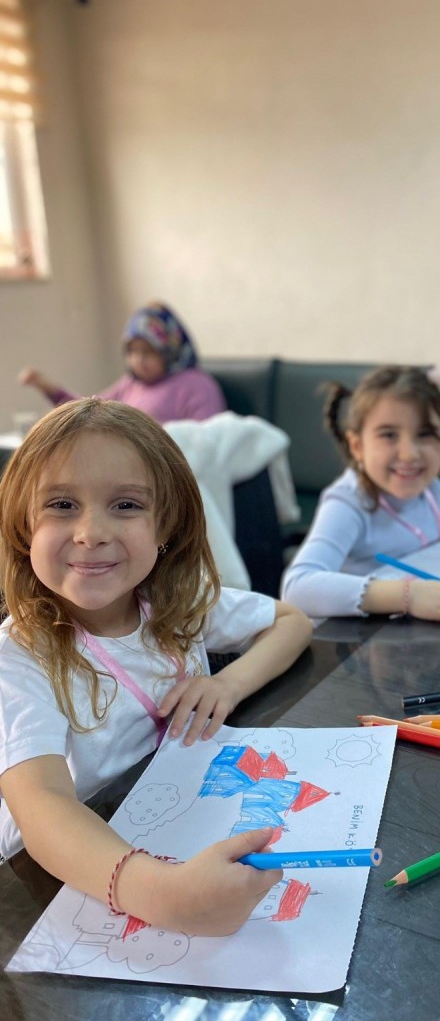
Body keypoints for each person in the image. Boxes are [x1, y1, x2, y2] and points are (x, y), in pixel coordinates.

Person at [0, 398, 313, 935]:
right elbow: (42, 806)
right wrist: (165, 896)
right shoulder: (21, 656)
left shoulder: (172, 601)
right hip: (54, 875)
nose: (91, 532)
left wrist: (228, 683)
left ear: (166, 525)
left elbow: (291, 621)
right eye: (61, 504)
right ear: (23, 526)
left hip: (171, 808)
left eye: (125, 505)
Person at [281, 365, 440, 623]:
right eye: (389, 435)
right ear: (357, 446)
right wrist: (408, 595)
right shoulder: (348, 504)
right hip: (357, 640)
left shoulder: (434, 495)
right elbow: (297, 588)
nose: (409, 454)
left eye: (425, 434)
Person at [18, 302, 226, 424]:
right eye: (132, 351)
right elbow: (90, 415)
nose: (139, 360)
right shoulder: (131, 384)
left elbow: (207, 441)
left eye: (148, 351)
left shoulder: (195, 384)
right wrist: (49, 388)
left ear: (170, 350)